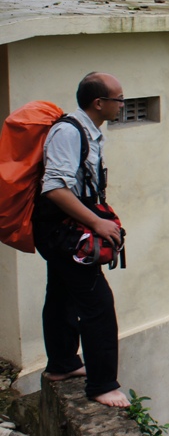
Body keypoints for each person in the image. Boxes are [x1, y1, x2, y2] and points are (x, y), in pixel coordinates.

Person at [33, 72, 129, 408]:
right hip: (62, 232)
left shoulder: (87, 132)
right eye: (118, 99)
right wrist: (97, 223)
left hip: (61, 229)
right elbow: (54, 187)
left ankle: (62, 364)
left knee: (60, 295)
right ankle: (102, 385)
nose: (122, 104)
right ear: (99, 103)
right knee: (98, 305)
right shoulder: (69, 132)